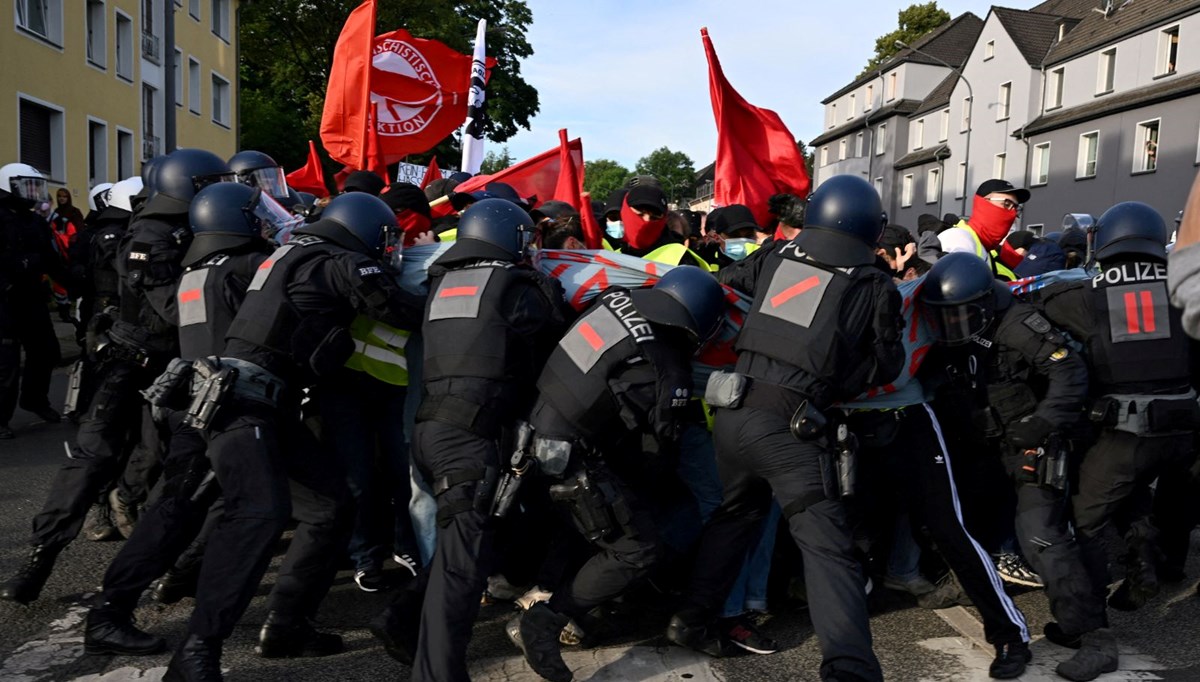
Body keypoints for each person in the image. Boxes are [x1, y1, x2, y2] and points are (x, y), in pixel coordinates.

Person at [160, 192, 424, 681]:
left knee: (331, 506)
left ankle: (286, 625)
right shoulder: (339, 261)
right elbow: (402, 310)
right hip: (246, 403)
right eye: (385, 237)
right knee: (257, 518)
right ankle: (196, 653)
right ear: (362, 230)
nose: (388, 247)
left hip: (258, 399)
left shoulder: (291, 252)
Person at [667, 175, 904, 682]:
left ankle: (691, 619)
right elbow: (887, 365)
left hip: (733, 410)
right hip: (791, 425)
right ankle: (850, 668)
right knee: (828, 548)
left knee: (734, 517)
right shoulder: (871, 281)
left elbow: (726, 283)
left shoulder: (775, 256)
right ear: (870, 225)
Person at [0, 149, 232, 604]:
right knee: (93, 458)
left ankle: (158, 560)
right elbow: (172, 307)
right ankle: (41, 556)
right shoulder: (150, 233)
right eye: (208, 183)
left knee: (163, 460)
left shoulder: (189, 225)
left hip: (175, 363)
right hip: (136, 360)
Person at [370, 198, 570, 682]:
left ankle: (399, 618)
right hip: (469, 437)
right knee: (463, 568)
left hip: (432, 430)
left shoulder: (441, 281)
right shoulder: (515, 286)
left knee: (475, 543)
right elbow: (554, 327)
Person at [83, 180, 279, 657]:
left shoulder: (194, 271)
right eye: (257, 214)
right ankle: (121, 616)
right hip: (224, 406)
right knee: (200, 513)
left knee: (182, 510)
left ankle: (141, 601)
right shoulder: (242, 267)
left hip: (196, 403)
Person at [511, 267, 726, 682]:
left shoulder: (612, 301)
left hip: (529, 434)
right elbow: (657, 454)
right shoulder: (668, 367)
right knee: (638, 547)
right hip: (570, 460)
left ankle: (547, 594)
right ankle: (548, 620)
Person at [920, 253, 1105, 681]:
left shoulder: (1018, 325)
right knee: (967, 529)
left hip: (1030, 443)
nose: (953, 325)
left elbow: (1069, 373)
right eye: (946, 317)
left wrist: (1042, 423)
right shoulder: (950, 331)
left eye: (962, 316)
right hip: (980, 444)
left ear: (984, 304)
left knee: (1041, 536)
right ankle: (974, 592)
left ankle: (1091, 634)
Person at [1032, 202, 1196, 677]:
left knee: (1084, 521)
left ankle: (1094, 634)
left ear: (1104, 243)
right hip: (1185, 433)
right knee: (1150, 496)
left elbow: (1033, 319)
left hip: (1126, 435)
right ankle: (1148, 552)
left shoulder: (1082, 296)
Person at [0, 162, 66, 440]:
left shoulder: (36, 221)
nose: (32, 193)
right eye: (25, 185)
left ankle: (35, 400)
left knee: (46, 350)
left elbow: (52, 259)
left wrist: (75, 277)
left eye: (34, 186)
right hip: (3, 298)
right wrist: (23, 263)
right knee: (5, 361)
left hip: (31, 296)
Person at [939, 180, 1029, 280]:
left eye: (1016, 208)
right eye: (1006, 204)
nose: (1012, 214)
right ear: (983, 203)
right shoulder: (958, 238)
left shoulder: (987, 250)